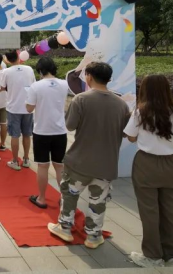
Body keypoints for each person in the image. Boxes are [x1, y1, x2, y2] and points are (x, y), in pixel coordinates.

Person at [48, 62, 130, 249]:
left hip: (80, 161)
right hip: (107, 163)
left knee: (70, 194)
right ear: (109, 78)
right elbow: (125, 133)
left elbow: (70, 125)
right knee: (98, 200)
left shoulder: (81, 99)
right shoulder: (121, 104)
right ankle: (93, 235)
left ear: (89, 77)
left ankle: (65, 227)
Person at [124, 75, 173, 268]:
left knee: (149, 211)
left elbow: (131, 137)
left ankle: (152, 256)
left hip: (146, 163)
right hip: (170, 164)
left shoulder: (140, 112)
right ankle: (170, 255)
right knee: (170, 212)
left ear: (145, 90)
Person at [25, 57, 69, 209]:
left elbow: (29, 108)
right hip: (60, 130)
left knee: (43, 166)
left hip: (42, 131)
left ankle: (42, 198)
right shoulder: (64, 84)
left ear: (40, 70)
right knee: (60, 166)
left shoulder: (36, 86)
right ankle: (64, 199)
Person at [1, 50, 36, 171]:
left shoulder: (6, 71)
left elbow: (3, 87)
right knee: (27, 134)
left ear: (8, 60)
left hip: (13, 108)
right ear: (18, 57)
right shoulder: (29, 69)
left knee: (14, 135)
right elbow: (33, 84)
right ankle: (26, 159)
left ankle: (15, 161)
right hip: (28, 107)